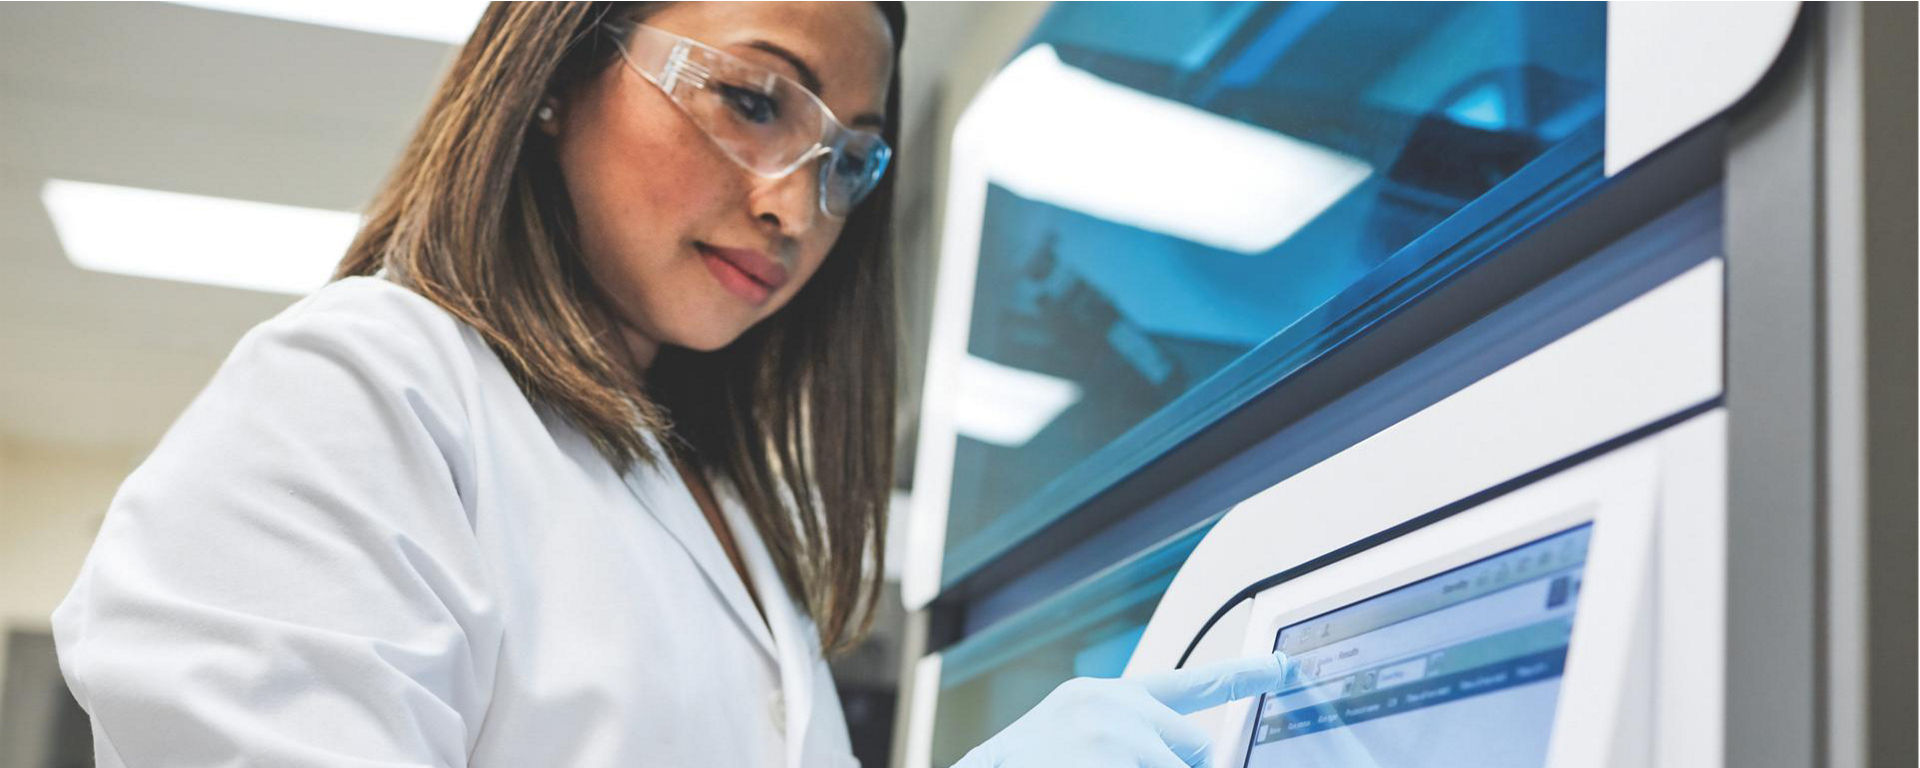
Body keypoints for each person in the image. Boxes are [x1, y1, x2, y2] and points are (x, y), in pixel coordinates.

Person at [50, 3, 1288, 766]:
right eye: (751, 101)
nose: (796, 203)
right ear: (553, 75)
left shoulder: (728, 520)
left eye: (848, 159)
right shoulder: (362, 394)